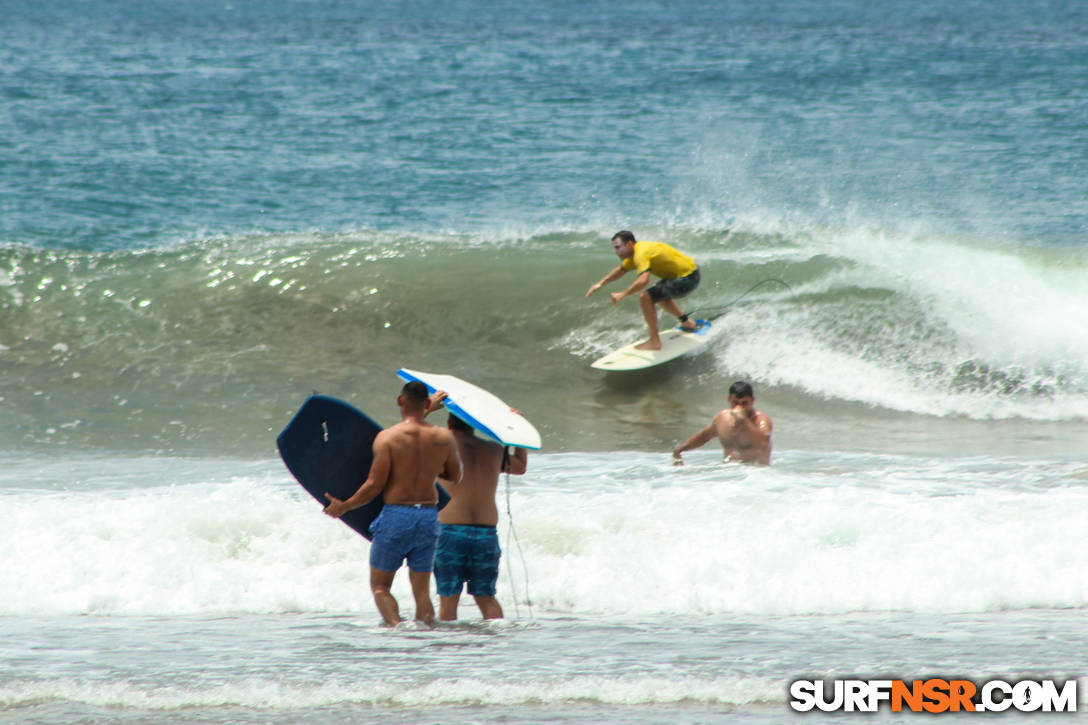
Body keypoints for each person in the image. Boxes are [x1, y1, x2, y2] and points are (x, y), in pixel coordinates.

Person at [322, 380, 462, 626]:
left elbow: (374, 486)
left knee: (380, 586)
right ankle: (426, 637)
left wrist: (345, 506)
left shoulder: (387, 438)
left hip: (397, 516)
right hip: (429, 517)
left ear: (400, 400)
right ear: (428, 403)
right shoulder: (443, 437)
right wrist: (427, 468)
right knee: (422, 592)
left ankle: (399, 630)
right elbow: (453, 476)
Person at [425, 393, 528, 621]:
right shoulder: (493, 449)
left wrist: (428, 409)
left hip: (450, 532)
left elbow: (405, 438)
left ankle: (451, 650)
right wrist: (517, 429)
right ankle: (496, 647)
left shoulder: (438, 446)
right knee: (486, 596)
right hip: (485, 534)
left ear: (449, 422)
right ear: (475, 424)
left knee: (449, 597)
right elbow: (519, 467)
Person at [584, 230, 701, 350]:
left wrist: (622, 294)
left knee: (646, 297)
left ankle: (655, 342)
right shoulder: (637, 251)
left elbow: (644, 280)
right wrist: (600, 284)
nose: (616, 252)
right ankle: (687, 322)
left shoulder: (641, 253)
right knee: (657, 294)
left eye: (618, 247)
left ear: (629, 244)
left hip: (687, 278)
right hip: (689, 274)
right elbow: (620, 270)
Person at [672, 381, 773, 465]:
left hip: (754, 477)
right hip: (727, 477)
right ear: (729, 400)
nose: (739, 407)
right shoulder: (723, 418)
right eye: (735, 403)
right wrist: (680, 449)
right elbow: (705, 436)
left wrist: (744, 420)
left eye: (744, 403)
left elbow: (763, 443)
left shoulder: (761, 420)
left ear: (752, 400)